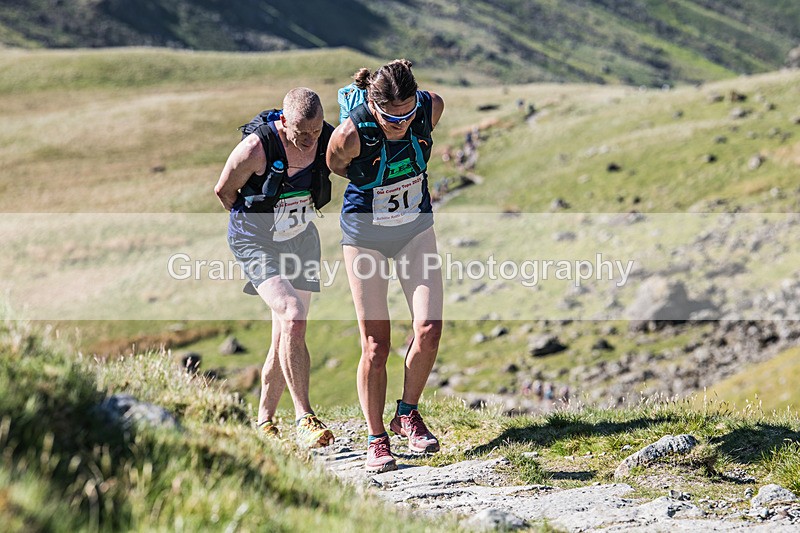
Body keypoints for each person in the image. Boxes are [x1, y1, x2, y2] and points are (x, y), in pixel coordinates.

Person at [327, 59, 445, 472]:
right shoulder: (350, 134)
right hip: (366, 238)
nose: (402, 123)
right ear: (373, 107)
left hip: (415, 230)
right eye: (391, 118)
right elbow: (336, 166)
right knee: (376, 345)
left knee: (429, 330)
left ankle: (406, 414)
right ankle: (376, 438)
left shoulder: (431, 108)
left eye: (408, 113)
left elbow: (425, 114)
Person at [214, 87, 335, 449]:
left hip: (300, 239)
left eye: (316, 131)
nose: (310, 139)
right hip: (256, 241)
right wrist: (261, 225)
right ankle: (305, 417)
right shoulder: (256, 148)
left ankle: (264, 421)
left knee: (286, 332)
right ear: (284, 121)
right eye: (301, 132)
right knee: (294, 315)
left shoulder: (325, 137)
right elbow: (224, 191)